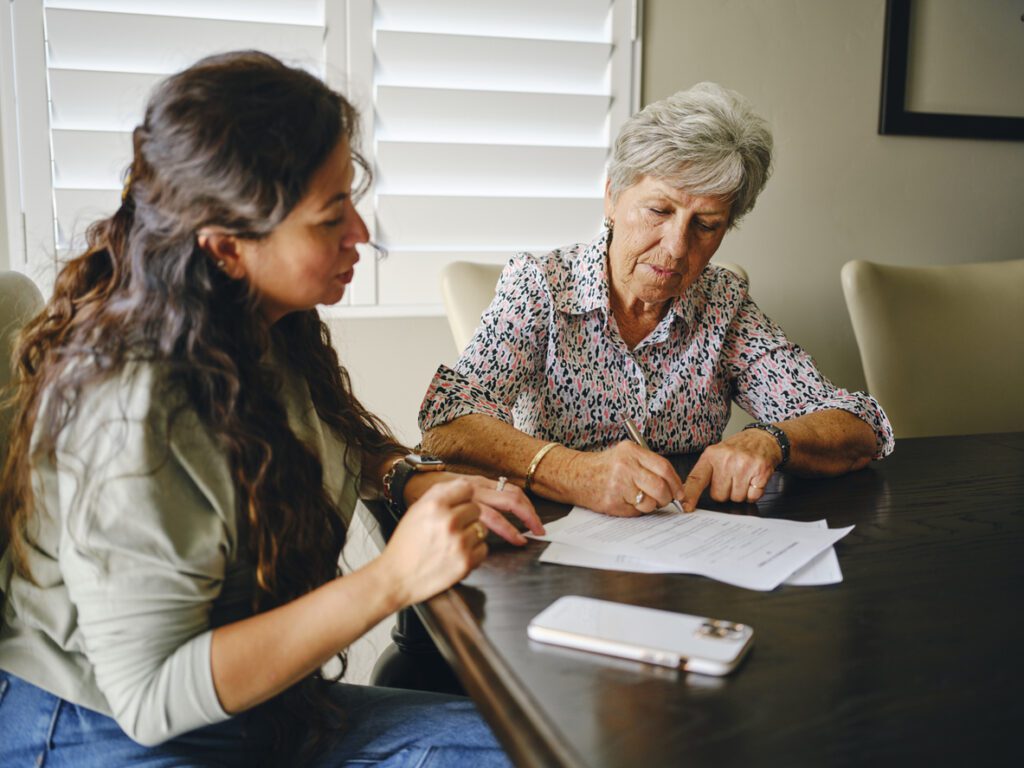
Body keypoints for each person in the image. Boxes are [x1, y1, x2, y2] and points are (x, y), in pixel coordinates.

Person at [0, 51, 542, 767]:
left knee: (542, 748)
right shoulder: (133, 409)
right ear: (226, 247)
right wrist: (391, 580)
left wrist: (410, 476)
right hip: (97, 734)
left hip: (254, 711)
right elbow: (153, 695)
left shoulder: (255, 322)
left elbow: (323, 439)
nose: (360, 235)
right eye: (329, 219)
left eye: (351, 199)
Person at [418, 82, 894, 518]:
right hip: (553, 542)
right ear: (612, 197)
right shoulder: (541, 286)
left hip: (685, 544)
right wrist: (575, 472)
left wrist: (771, 440)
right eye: (659, 210)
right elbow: (449, 420)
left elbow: (860, 426)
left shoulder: (723, 304)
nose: (676, 247)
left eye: (706, 226)